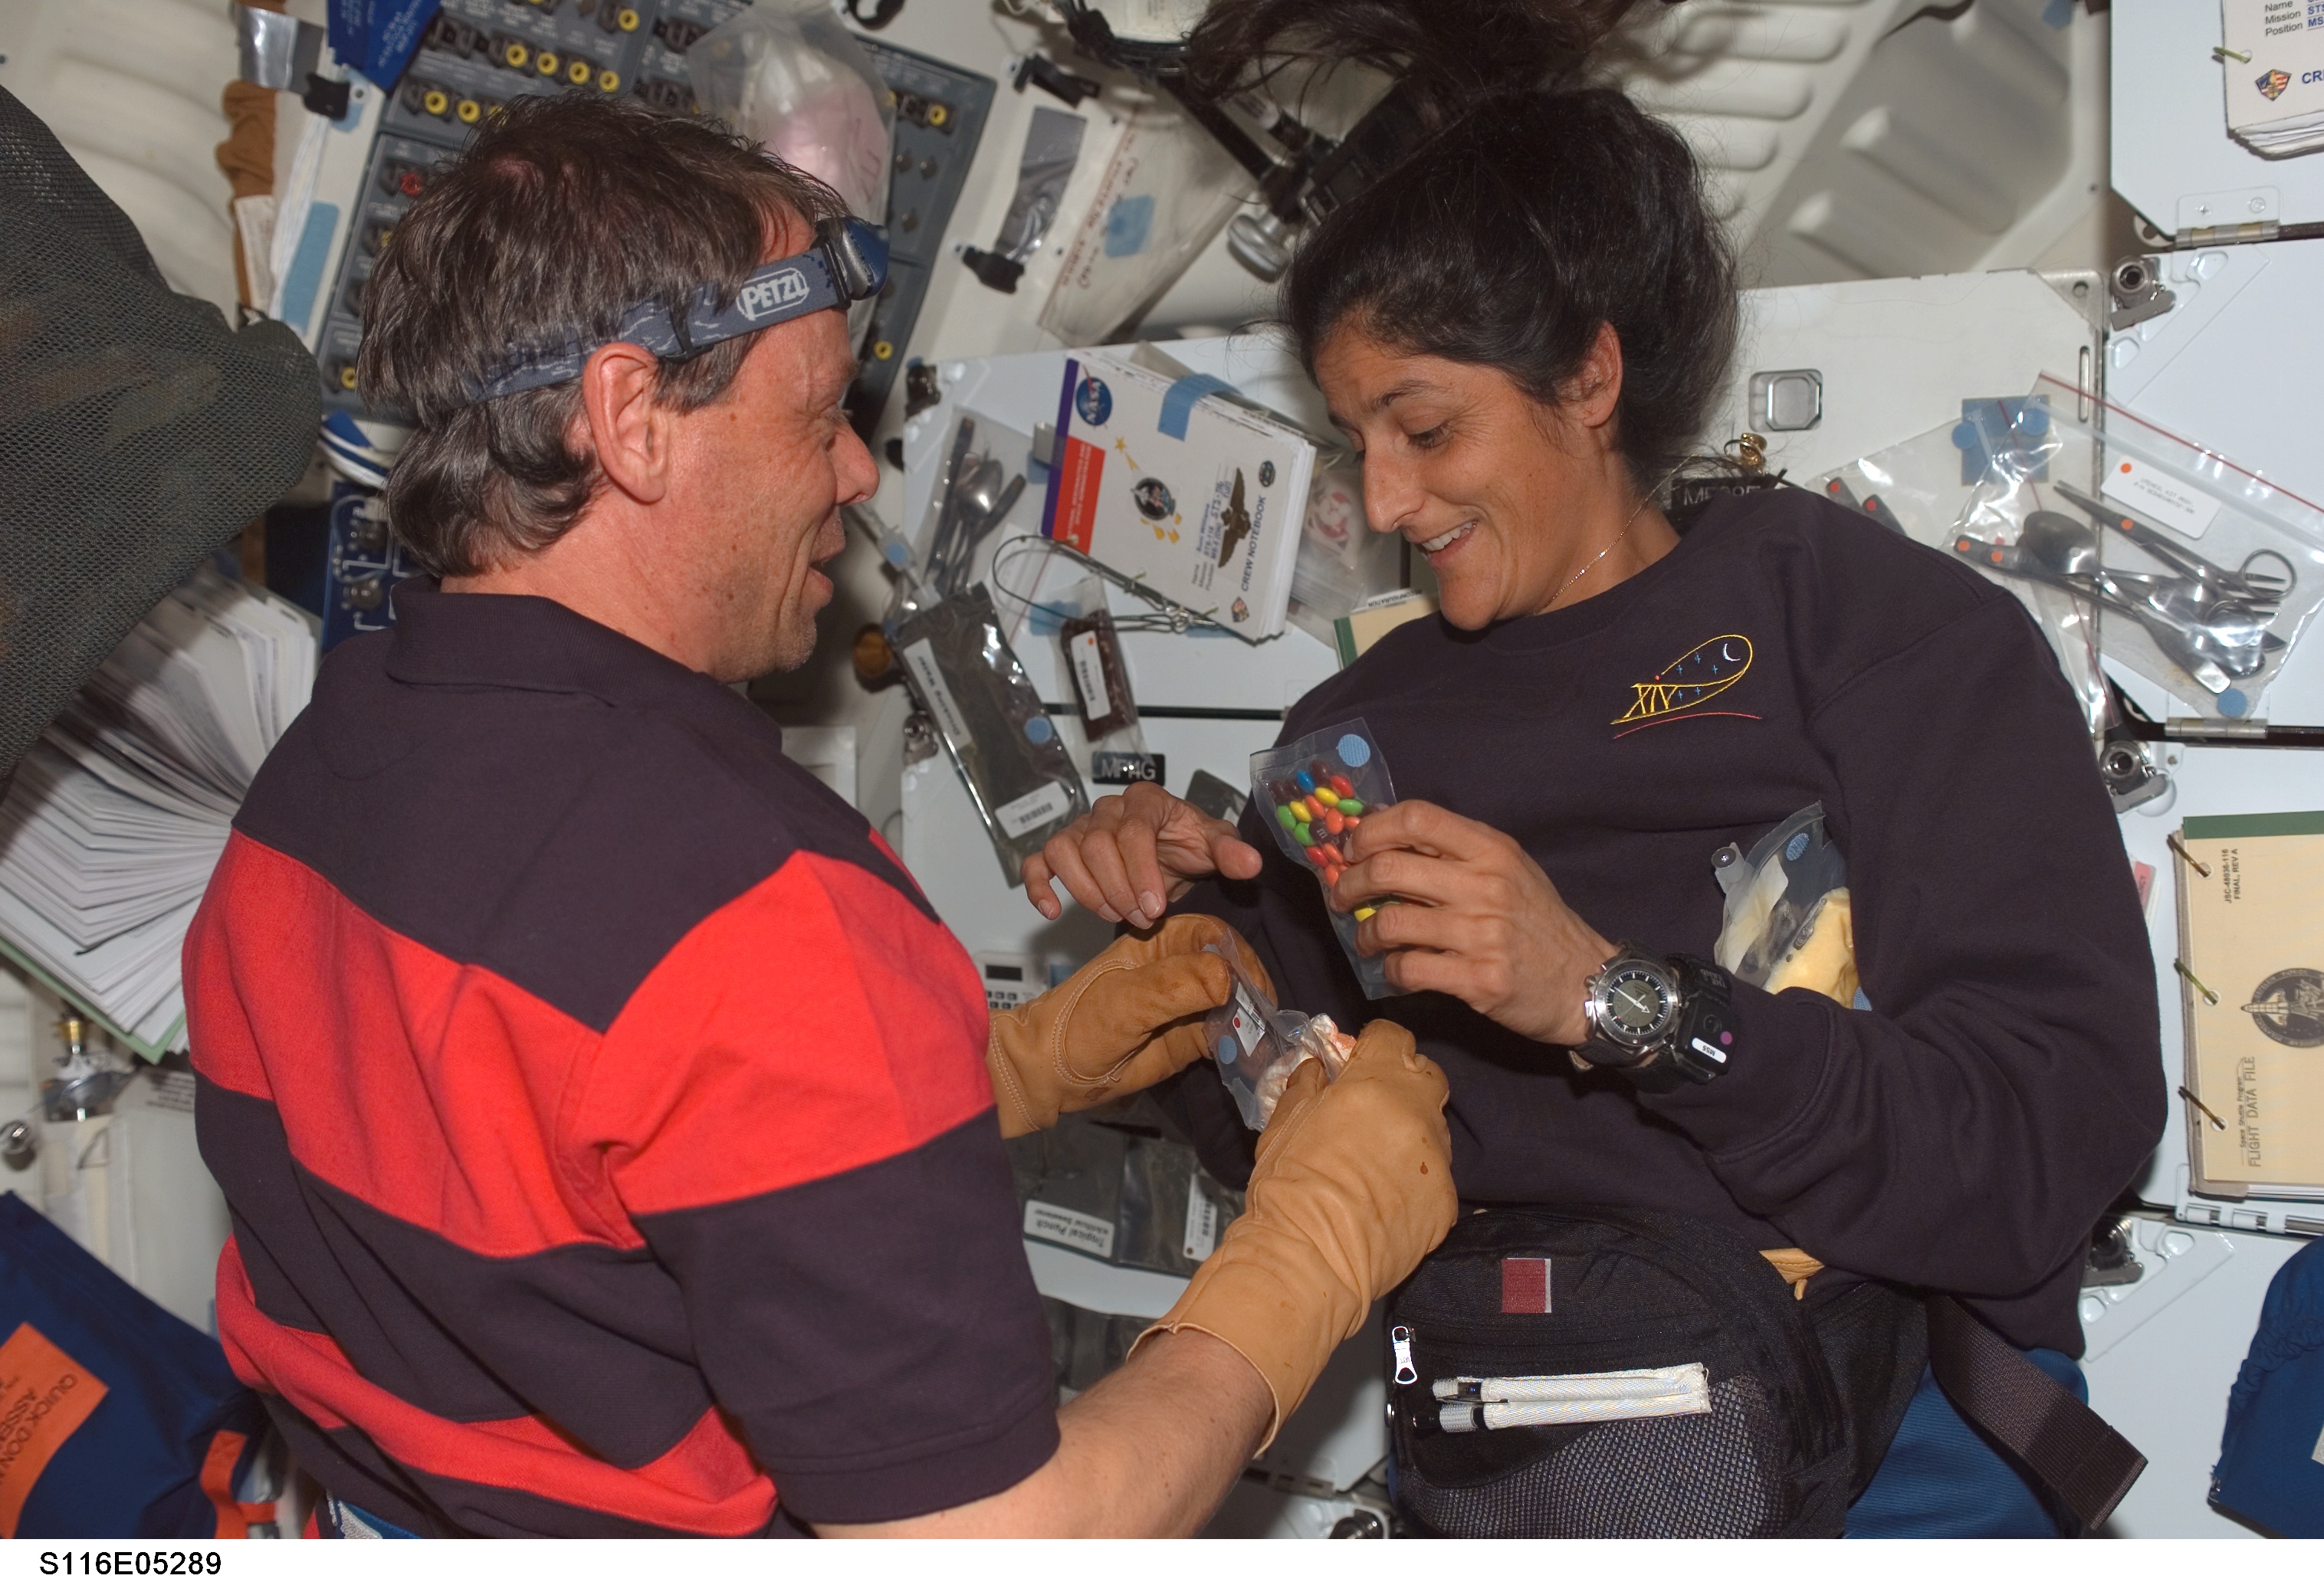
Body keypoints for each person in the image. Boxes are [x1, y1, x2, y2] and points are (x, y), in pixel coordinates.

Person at [183, 94, 1455, 1539]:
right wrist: (1311, 1253)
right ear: (630, 422)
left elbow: (556, 1168)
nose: (859, 472)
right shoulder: (766, 913)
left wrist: (1006, 1071)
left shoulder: (311, 779)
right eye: (818, 416)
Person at [1026, 0, 2165, 1538]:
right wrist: (1175, 954)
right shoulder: (1357, 734)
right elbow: (1296, 1138)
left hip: (1891, 1454)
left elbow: (2047, 1142)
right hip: (1525, 1460)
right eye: (1356, 438)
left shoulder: (1871, 633)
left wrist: (1613, 1000)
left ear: (1588, 376)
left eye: (1422, 428)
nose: (1384, 496)